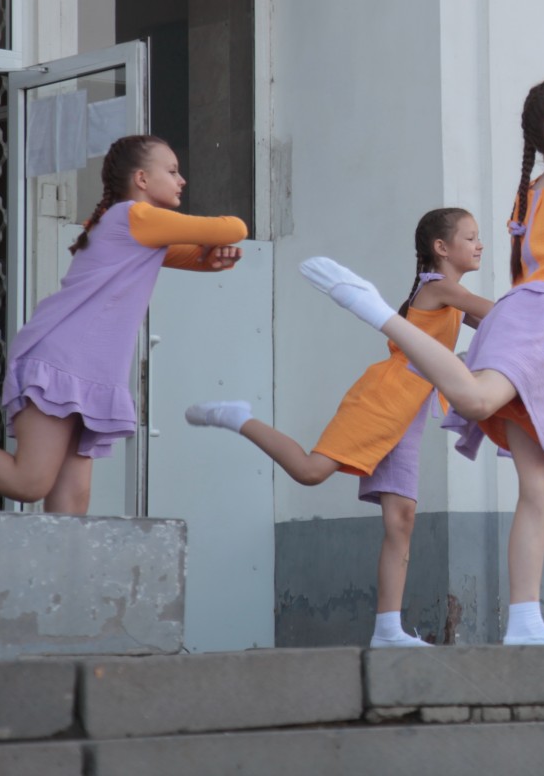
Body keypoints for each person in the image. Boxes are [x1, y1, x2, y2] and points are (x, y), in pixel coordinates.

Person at [300, 78, 544, 645]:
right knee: (480, 399)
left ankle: (526, 622)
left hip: (541, 319)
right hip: (543, 320)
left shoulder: (534, 194)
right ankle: (374, 309)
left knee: (539, 484)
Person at [185, 207, 491, 648]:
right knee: (311, 472)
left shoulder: (452, 296)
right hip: (386, 396)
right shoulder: (441, 288)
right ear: (442, 248)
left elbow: (494, 323)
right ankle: (239, 418)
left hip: (412, 409)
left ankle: (388, 630)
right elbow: (499, 314)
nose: (480, 245)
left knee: (401, 519)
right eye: (471, 237)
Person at [0, 135, 245, 514]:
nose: (182, 181)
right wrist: (221, 245)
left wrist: (215, 258)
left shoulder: (134, 226)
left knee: (72, 501)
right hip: (64, 360)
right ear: (142, 179)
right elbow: (233, 228)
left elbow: (200, 257)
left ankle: (62, 575)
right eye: (173, 171)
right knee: (29, 483)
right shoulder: (136, 215)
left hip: (89, 370)